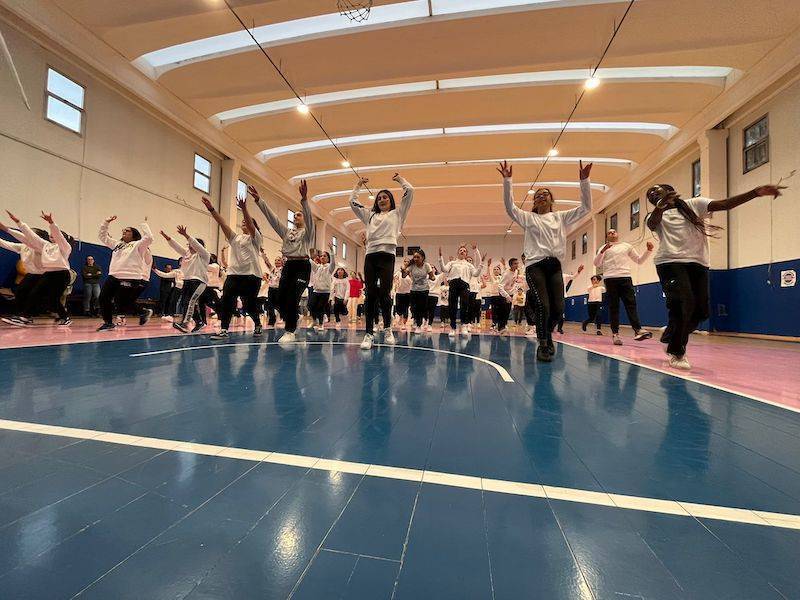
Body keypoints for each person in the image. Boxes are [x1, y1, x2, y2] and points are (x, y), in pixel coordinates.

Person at [646, 180, 784, 370]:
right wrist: (660, 207)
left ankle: (670, 333)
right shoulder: (654, 215)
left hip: (699, 262)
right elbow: (652, 223)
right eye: (652, 197)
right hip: (669, 263)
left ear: (671, 192)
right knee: (683, 304)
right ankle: (677, 352)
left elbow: (725, 204)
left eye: (658, 193)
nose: (655, 197)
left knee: (701, 311)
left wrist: (755, 192)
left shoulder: (694, 205)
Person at [500, 160, 593, 361]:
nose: (541, 196)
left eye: (545, 194)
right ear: (534, 202)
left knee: (558, 309)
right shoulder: (528, 218)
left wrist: (584, 181)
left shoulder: (560, 217)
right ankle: (543, 344)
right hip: (535, 266)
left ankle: (546, 334)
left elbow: (586, 207)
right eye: (537, 195)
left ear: (551, 200)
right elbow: (510, 207)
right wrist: (508, 181)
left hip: (555, 266)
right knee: (543, 305)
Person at [350, 173, 414, 350]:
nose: (382, 199)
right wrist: (358, 185)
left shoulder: (398, 213)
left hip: (387, 256)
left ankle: (387, 329)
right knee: (370, 295)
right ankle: (368, 334)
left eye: (385, 197)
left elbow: (410, 191)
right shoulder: (369, 215)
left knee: (385, 294)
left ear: (390, 200)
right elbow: (352, 202)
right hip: (371, 256)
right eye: (379, 198)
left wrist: (400, 180)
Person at [253, 181, 314, 345]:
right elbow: (272, 219)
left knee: (293, 296)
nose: (296, 217)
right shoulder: (286, 232)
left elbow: (310, 219)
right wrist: (259, 201)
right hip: (289, 266)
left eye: (299, 215)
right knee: (280, 298)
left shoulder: (308, 233)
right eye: (294, 215)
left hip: (302, 266)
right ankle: (295, 317)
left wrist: (304, 200)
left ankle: (290, 331)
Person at [2, 211, 73, 325]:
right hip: (48, 274)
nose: (52, 235)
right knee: (35, 294)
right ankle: (25, 317)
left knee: (53, 299)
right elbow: (31, 236)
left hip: (61, 274)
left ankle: (65, 317)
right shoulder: (45, 246)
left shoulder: (65, 248)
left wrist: (51, 223)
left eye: (54, 234)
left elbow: (59, 236)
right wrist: (18, 223)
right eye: (50, 234)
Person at [594, 230, 654, 345]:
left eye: (614, 232)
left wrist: (648, 250)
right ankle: (615, 334)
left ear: (618, 234)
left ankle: (638, 330)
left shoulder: (626, 246)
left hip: (625, 278)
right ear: (607, 236)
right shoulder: (603, 248)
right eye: (609, 232)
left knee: (631, 304)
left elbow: (639, 260)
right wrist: (602, 251)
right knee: (614, 307)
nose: (612, 233)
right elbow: (597, 264)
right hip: (610, 279)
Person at [97, 215, 153, 331]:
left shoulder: (139, 245)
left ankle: (143, 312)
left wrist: (143, 224)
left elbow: (149, 238)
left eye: (127, 230)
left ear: (133, 234)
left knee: (123, 302)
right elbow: (102, 237)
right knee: (103, 298)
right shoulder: (117, 244)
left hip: (130, 277)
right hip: (114, 275)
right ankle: (108, 323)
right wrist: (106, 222)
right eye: (124, 230)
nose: (124, 231)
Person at [161, 226, 210, 333]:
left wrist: (186, 235)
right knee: (184, 302)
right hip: (187, 281)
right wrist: (168, 238)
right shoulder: (187, 254)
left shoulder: (204, 255)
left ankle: (185, 324)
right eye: (189, 245)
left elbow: (196, 245)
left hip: (199, 282)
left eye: (192, 244)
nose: (190, 246)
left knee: (189, 302)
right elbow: (177, 247)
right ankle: (199, 322)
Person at [0, 218, 44, 326]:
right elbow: (6, 244)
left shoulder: (40, 247)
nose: (26, 235)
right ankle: (21, 316)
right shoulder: (24, 247)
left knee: (33, 295)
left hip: (42, 275)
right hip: (31, 275)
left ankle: (25, 316)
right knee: (20, 292)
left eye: (30, 233)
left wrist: (8, 229)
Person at [438, 243, 482, 338]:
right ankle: (453, 327)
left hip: (464, 285)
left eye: (464, 251)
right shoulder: (452, 263)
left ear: (466, 254)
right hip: (453, 284)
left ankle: (463, 325)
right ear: (457, 252)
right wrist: (441, 257)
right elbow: (444, 269)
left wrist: (481, 265)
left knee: (464, 305)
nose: (462, 251)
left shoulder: (469, 265)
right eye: (461, 250)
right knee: (452, 306)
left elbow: (475, 274)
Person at [403, 249, 435, 334]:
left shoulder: (426, 265)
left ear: (422, 258)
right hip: (414, 289)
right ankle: (416, 320)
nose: (416, 259)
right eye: (414, 257)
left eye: (418, 257)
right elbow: (404, 275)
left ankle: (419, 325)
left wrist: (432, 277)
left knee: (421, 308)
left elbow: (432, 277)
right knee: (413, 308)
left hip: (424, 290)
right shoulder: (412, 266)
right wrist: (403, 269)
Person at [308, 247, 336, 332]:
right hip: (316, 290)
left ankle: (321, 324)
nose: (322, 257)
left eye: (324, 256)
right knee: (311, 305)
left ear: (328, 258)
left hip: (325, 291)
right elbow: (310, 261)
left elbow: (333, 262)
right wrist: (307, 253)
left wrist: (332, 251)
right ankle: (314, 321)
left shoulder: (330, 267)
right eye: (321, 256)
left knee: (320, 308)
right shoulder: (317, 267)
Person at [556, 263, 584, 334]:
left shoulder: (564, 275)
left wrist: (578, 271)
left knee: (561, 313)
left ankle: (559, 328)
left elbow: (573, 277)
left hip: (562, 297)